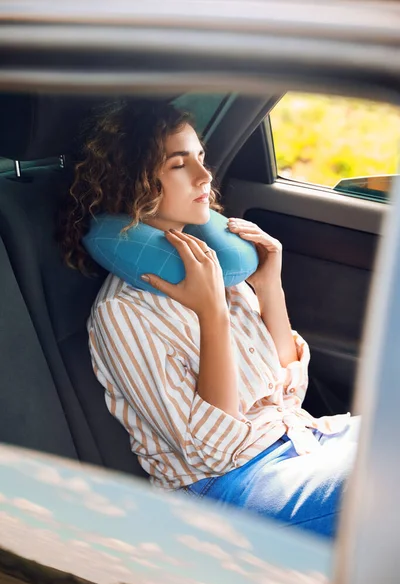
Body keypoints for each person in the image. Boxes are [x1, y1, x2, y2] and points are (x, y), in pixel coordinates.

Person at [60, 98, 359, 539]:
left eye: (201, 158)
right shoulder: (120, 313)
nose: (205, 175)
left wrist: (268, 286)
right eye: (180, 165)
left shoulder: (216, 266)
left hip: (299, 442)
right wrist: (211, 313)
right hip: (230, 490)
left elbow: (288, 392)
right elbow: (215, 450)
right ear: (134, 182)